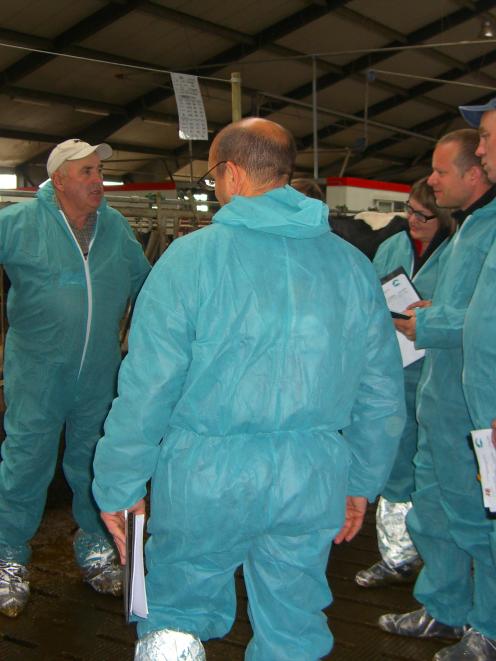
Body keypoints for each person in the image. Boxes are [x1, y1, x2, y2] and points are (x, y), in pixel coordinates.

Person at [92, 117, 406, 661]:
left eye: (215, 175)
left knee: (176, 612)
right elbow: (381, 390)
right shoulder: (353, 268)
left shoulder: (188, 260)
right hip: (310, 475)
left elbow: (147, 388)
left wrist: (119, 483)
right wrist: (360, 480)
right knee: (293, 621)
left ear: (232, 173)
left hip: (205, 476)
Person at [0, 139, 150, 618]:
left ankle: (95, 548)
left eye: (99, 171)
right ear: (59, 179)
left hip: (100, 371)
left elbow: (147, 284)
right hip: (37, 370)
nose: (96, 180)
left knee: (93, 463)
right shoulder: (19, 223)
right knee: (26, 462)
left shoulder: (116, 228)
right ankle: (8, 556)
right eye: (86, 172)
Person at [378, 127, 496, 660]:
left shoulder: (491, 229)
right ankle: (443, 607)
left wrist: (430, 324)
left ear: (473, 174)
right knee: (434, 508)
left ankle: (487, 625)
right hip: (442, 402)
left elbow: (484, 322)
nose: (431, 180)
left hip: (477, 407)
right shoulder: (471, 228)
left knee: (481, 522)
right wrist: (433, 314)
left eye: (441, 171)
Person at [355, 177, 454, 589]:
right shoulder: (393, 246)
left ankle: (436, 562)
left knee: (434, 469)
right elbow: (369, 293)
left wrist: (436, 315)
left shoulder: (460, 253)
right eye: (409, 210)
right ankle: (395, 555)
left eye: (423, 215)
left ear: (445, 219)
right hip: (393, 367)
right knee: (395, 461)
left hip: (439, 374)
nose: (412, 220)